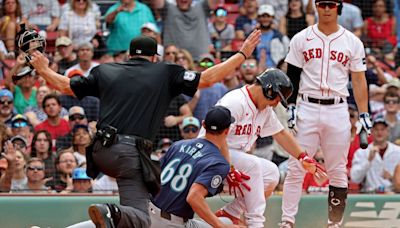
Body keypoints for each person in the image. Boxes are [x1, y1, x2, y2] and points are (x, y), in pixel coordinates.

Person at [29, 30, 262, 228]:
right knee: (141, 218)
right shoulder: (165, 72)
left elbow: (66, 86)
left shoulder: (105, 70)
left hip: (101, 150)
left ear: (130, 55)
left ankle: (109, 217)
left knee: (129, 221)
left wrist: (43, 69)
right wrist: (241, 54)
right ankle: (112, 212)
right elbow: (209, 78)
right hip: (130, 155)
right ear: (154, 58)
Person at [280, 0, 370, 227]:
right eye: (322, 4)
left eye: (331, 4)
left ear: (338, 7)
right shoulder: (301, 37)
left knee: (338, 169)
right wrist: (290, 105)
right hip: (306, 107)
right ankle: (287, 221)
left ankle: (334, 223)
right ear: (316, 6)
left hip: (338, 108)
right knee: (296, 166)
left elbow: (359, 80)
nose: (327, 9)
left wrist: (364, 113)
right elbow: (292, 76)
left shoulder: (352, 41)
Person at [197, 68, 325, 227]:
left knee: (271, 174)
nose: (277, 103)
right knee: (253, 165)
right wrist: (228, 167)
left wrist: (302, 157)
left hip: (230, 159)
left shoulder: (265, 110)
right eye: (277, 98)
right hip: (208, 154)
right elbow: (215, 137)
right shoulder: (236, 102)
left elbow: (281, 134)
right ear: (269, 90)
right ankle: (255, 223)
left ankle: (231, 212)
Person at [150, 106, 237, 228]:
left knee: (227, 222)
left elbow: (153, 176)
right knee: (228, 225)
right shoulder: (218, 162)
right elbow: (194, 197)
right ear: (227, 131)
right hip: (171, 223)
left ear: (203, 125)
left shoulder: (178, 144)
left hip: (147, 213)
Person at [351, 117, 400, 193]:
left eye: (382, 129)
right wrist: (368, 160)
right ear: (371, 132)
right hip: (370, 194)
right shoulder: (362, 152)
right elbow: (355, 178)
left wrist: (393, 178)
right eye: (376, 129)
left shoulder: (397, 151)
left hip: (393, 193)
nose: (379, 132)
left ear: (388, 131)